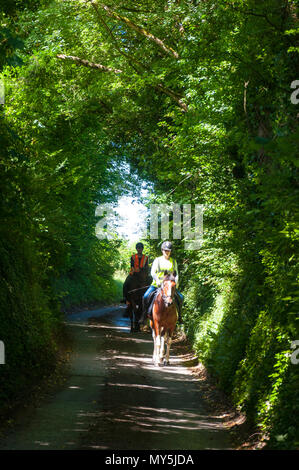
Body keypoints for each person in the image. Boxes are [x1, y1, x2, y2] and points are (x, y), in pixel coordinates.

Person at [139, 241, 183, 324]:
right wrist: (157, 280)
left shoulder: (173, 261)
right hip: (157, 285)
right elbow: (152, 272)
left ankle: (180, 316)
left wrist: (176, 284)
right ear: (162, 250)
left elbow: (176, 274)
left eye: (168, 251)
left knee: (181, 297)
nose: (167, 252)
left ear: (170, 251)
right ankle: (144, 315)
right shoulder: (157, 260)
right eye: (165, 250)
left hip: (169, 287)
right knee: (145, 297)